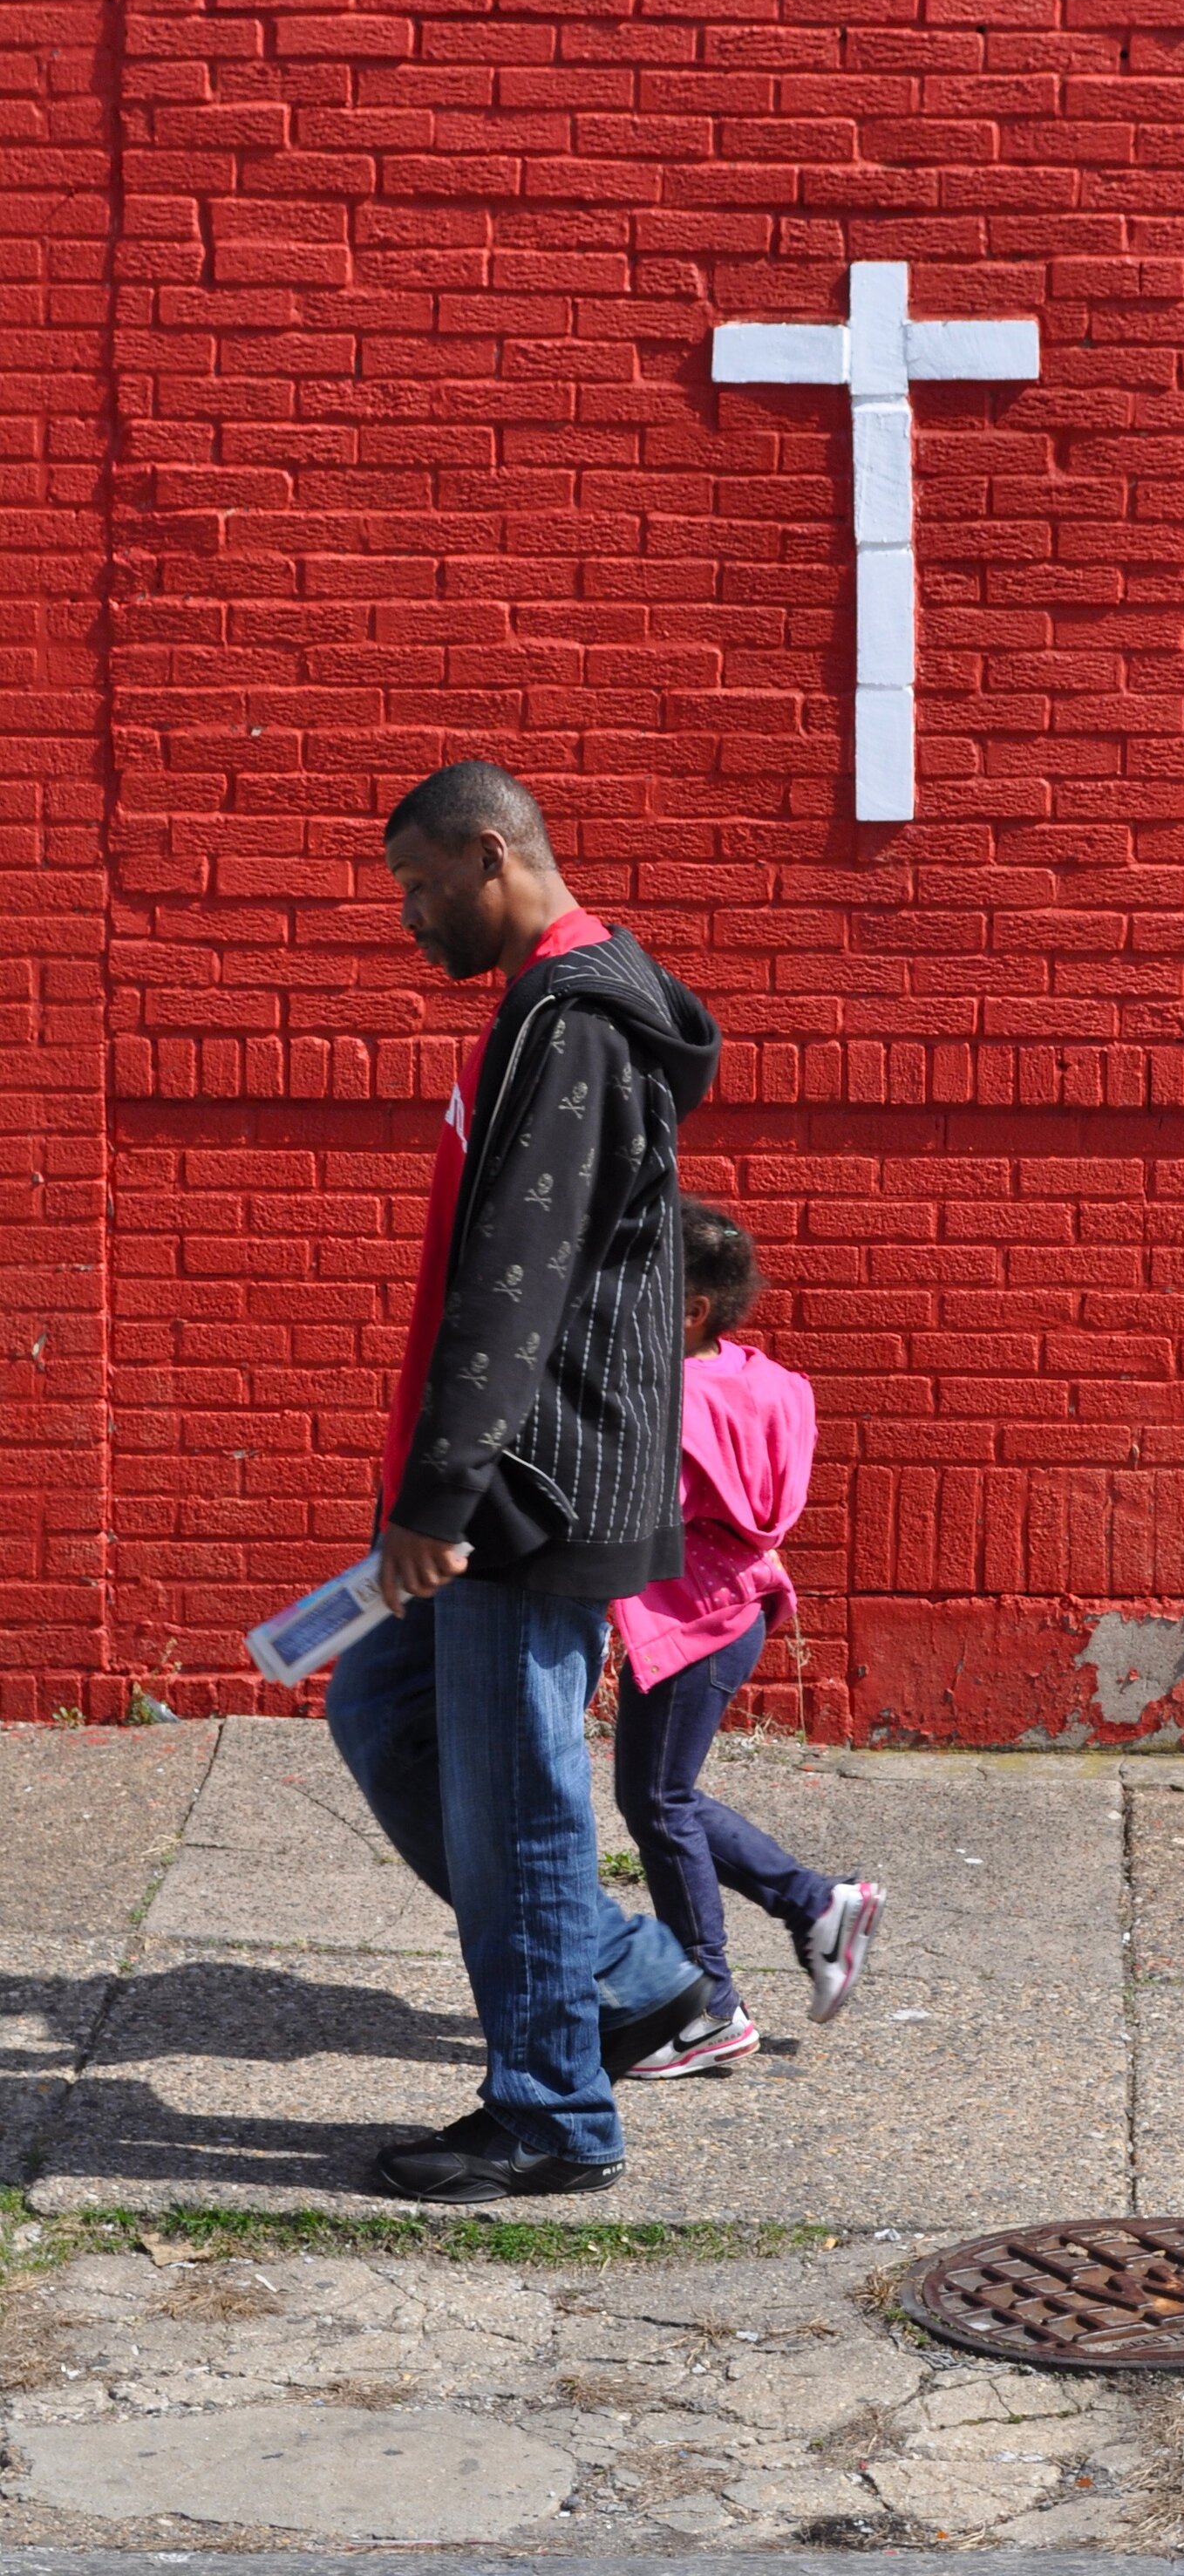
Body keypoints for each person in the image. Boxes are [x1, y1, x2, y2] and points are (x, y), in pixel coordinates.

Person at [325, 760, 722, 2204]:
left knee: (519, 1795)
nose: (416, 916)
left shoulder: (570, 1024)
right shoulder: (549, 1007)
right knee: (379, 1705)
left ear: (495, 855)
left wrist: (441, 1496)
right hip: (512, 1467)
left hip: (525, 1482)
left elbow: (518, 1283)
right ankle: (621, 1976)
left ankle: (553, 2105)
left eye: (427, 885)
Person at [609, 1197, 883, 2075]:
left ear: (691, 1306)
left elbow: (634, 1515)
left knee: (657, 1803)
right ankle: (815, 1906)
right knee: (663, 1797)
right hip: (736, 1609)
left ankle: (710, 2009)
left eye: (638, 1285)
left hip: (687, 1617)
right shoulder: (763, 1380)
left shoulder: (667, 1402)